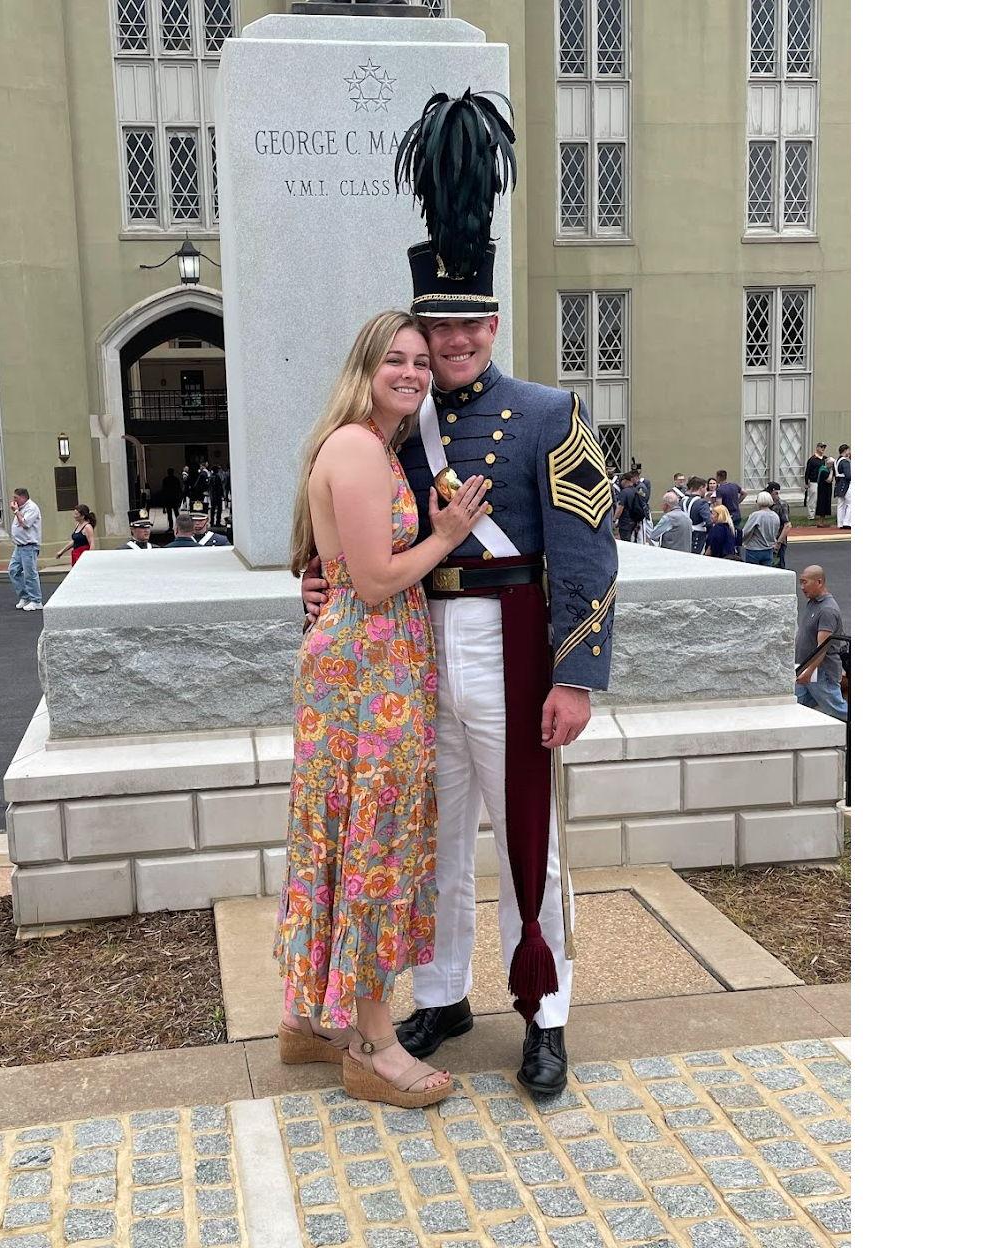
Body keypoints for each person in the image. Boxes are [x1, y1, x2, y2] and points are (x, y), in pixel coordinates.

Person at [304, 90, 618, 1097]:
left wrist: (579, 675)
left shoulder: (546, 411)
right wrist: (315, 587)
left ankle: (548, 1009)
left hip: (514, 635)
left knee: (531, 834)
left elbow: (588, 548)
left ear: (492, 322)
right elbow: (335, 528)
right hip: (409, 642)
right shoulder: (394, 428)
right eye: (440, 330)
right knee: (427, 836)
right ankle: (441, 992)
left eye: (473, 324)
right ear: (420, 336)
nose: (458, 344)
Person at [278, 311, 489, 1109]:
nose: (411, 371)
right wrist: (447, 534)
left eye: (419, 362)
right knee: (371, 845)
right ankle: (372, 1043)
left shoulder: (370, 445)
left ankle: (309, 1018)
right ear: (364, 367)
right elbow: (370, 581)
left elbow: (337, 568)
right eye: (394, 360)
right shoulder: (360, 447)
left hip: (367, 666)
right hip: (368, 673)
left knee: (342, 842)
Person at [795, 565, 848, 721]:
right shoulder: (813, 602)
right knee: (797, 706)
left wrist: (809, 672)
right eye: (801, 582)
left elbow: (822, 648)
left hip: (820, 673)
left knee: (839, 710)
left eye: (805, 582)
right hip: (805, 669)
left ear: (819, 582)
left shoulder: (827, 610)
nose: (802, 587)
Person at [8, 487, 43, 611]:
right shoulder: (22, 508)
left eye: (16, 498)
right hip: (19, 546)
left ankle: (36, 600)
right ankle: (25, 596)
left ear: (23, 497)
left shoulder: (31, 508)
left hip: (29, 545)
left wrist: (16, 511)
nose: (14, 500)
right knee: (13, 570)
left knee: (30, 574)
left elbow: (26, 523)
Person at [740, 491, 781, 565]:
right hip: (768, 549)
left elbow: (746, 531)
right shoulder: (775, 515)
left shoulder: (756, 515)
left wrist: (741, 540)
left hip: (754, 549)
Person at [614, 469, 647, 543]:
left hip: (625, 522)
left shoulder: (624, 492)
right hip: (635, 521)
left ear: (625, 480)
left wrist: (614, 519)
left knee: (626, 542)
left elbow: (620, 507)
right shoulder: (637, 491)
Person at [682, 475, 712, 554]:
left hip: (683, 534)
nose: (706, 491)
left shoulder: (682, 501)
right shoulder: (702, 503)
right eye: (705, 488)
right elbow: (708, 521)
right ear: (701, 487)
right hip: (698, 535)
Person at [765, 482, 792, 568]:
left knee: (778, 565)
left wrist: (779, 542)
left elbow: (787, 525)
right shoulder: (767, 504)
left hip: (778, 540)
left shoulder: (781, 505)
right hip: (767, 541)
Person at [804, 442, 827, 520]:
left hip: (823, 482)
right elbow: (807, 471)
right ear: (817, 448)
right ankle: (811, 515)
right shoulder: (812, 459)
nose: (823, 449)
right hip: (814, 481)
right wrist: (806, 482)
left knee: (821, 498)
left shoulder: (825, 459)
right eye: (821, 447)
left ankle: (821, 514)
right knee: (813, 499)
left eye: (824, 447)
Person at [158, 468, 183, 534]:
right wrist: (180, 499)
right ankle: (178, 526)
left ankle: (171, 526)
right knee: (176, 513)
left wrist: (163, 505)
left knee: (170, 514)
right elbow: (179, 489)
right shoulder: (176, 479)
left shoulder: (165, 480)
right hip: (174, 498)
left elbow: (163, 490)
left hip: (168, 498)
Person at [834, 444, 852, 530]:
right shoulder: (845, 462)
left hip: (838, 483)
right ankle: (847, 522)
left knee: (840, 504)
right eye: (848, 450)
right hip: (845, 483)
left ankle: (840, 523)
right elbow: (848, 475)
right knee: (850, 503)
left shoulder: (836, 461)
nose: (849, 452)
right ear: (845, 451)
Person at [814, 456, 834, 526]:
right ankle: (820, 522)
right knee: (822, 505)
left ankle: (822, 522)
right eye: (832, 464)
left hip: (826, 490)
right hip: (823, 491)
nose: (832, 466)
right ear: (828, 464)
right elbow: (829, 480)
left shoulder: (826, 470)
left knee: (825, 505)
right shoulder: (823, 470)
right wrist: (832, 471)